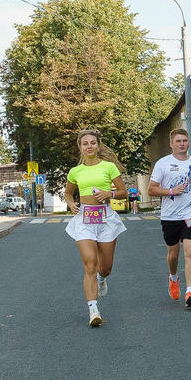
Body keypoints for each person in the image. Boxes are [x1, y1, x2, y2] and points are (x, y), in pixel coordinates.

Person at [63, 128, 125, 327]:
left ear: (98, 146)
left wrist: (109, 194)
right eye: (85, 143)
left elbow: (123, 192)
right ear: (80, 147)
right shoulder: (75, 171)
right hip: (84, 219)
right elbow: (68, 193)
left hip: (106, 218)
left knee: (105, 267)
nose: (89, 146)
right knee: (90, 263)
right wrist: (71, 204)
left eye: (92, 143)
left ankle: (101, 278)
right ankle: (94, 311)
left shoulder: (109, 167)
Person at [150, 127, 191, 309]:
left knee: (190, 251)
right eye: (178, 141)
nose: (182, 144)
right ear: (171, 144)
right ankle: (173, 277)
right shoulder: (163, 163)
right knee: (173, 254)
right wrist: (171, 191)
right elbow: (151, 189)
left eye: (185, 141)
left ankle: (190, 291)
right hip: (170, 216)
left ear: (189, 143)